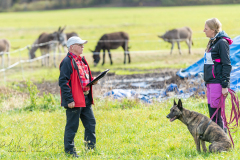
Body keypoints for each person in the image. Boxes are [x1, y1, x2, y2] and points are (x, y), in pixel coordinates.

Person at [59, 36, 98, 157]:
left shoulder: (81, 60)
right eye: (80, 44)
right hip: (74, 101)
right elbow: (63, 82)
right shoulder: (67, 62)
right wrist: (69, 99)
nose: (83, 46)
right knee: (72, 127)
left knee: (91, 124)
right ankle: (70, 152)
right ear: (72, 47)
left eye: (83, 44)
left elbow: (82, 78)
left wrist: (92, 80)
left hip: (85, 98)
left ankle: (90, 149)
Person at [203, 18, 232, 132]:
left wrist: (225, 85)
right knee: (212, 113)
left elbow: (227, 64)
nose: (204, 31)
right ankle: (218, 140)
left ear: (213, 30)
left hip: (217, 83)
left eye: (206, 29)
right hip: (210, 83)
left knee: (216, 115)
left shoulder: (222, 43)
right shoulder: (213, 42)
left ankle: (222, 143)